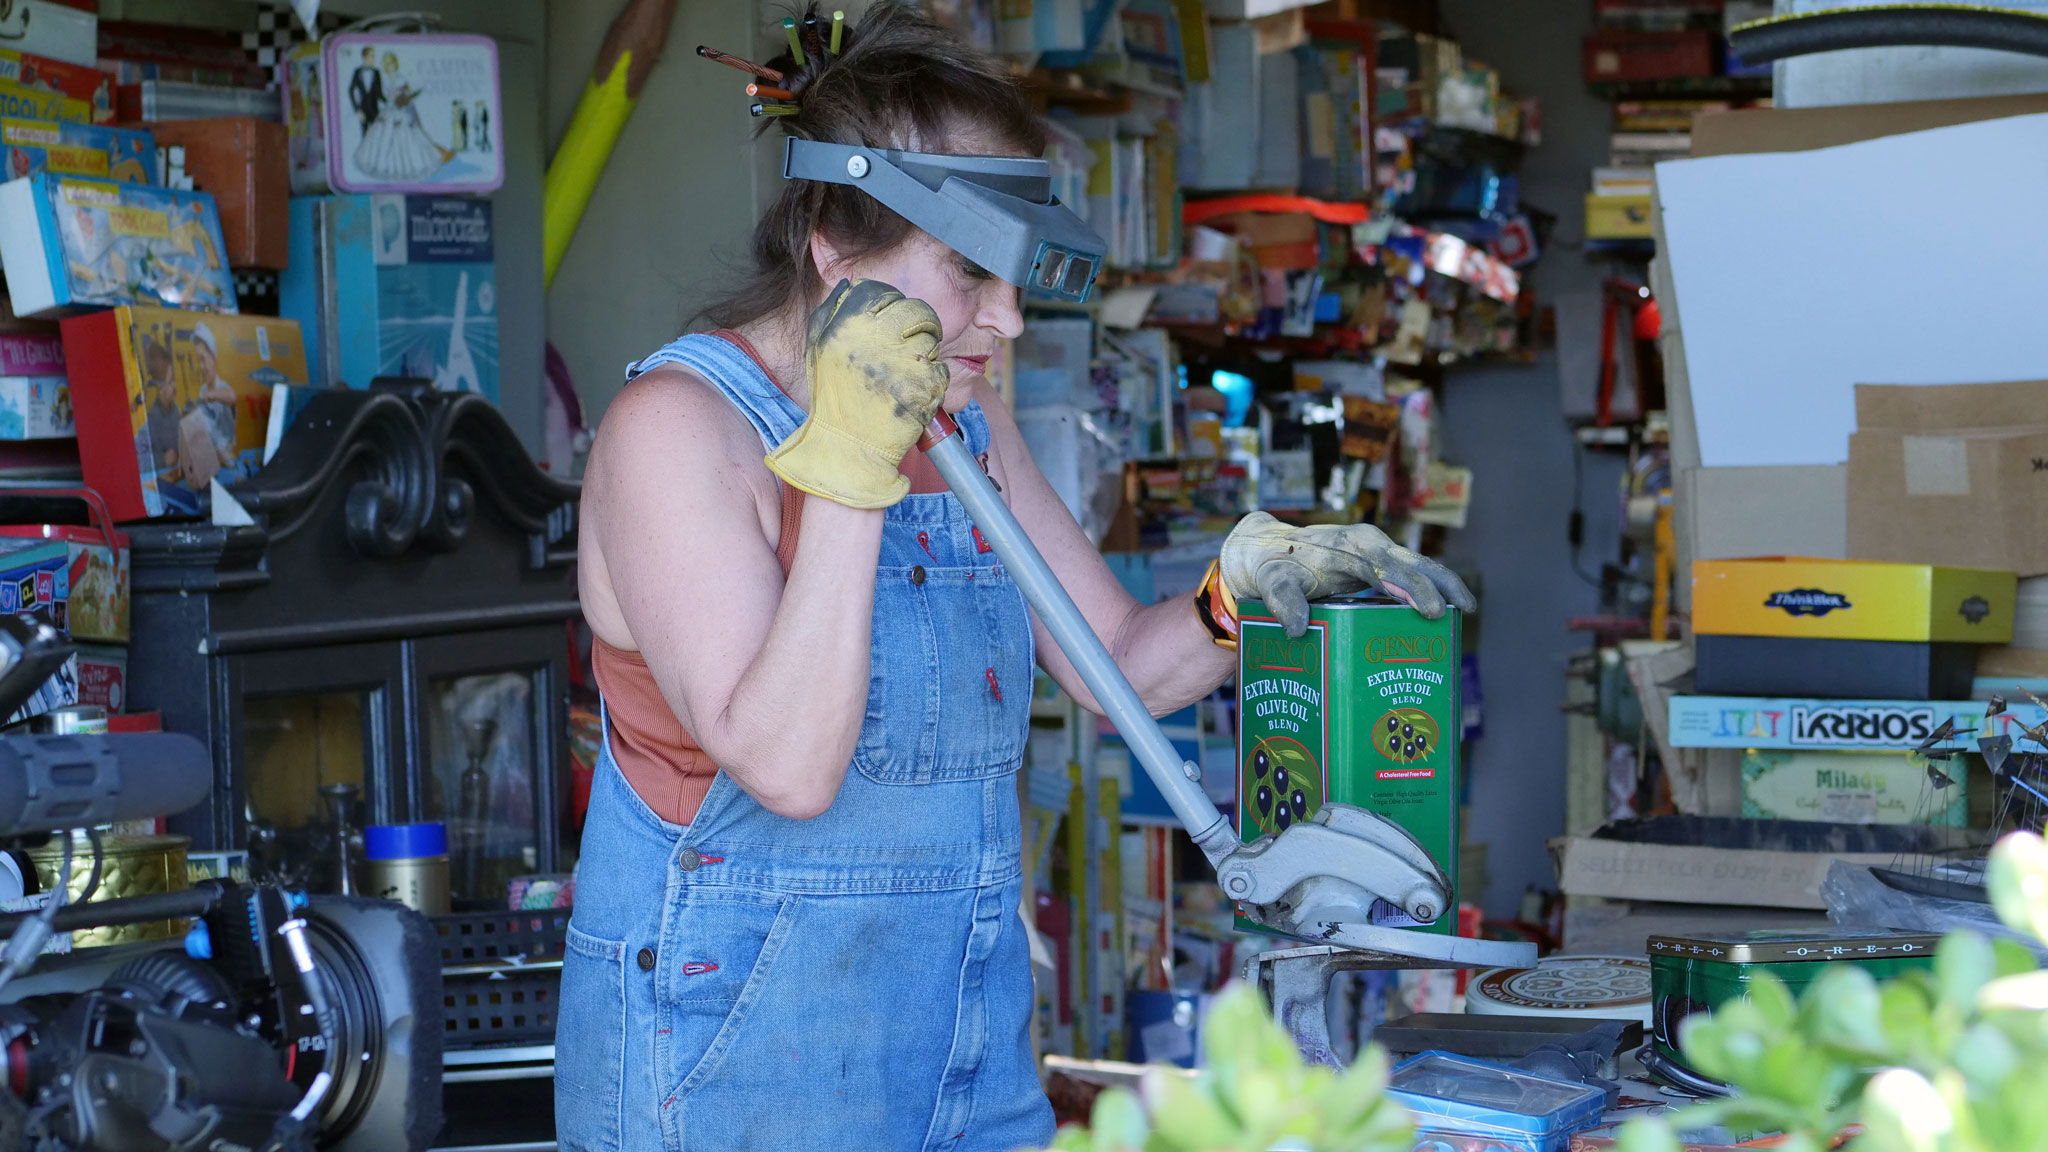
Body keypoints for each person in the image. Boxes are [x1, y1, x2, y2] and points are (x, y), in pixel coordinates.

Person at [562, 6, 1474, 1151]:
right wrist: (850, 465)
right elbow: (786, 767)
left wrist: (1235, 595)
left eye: (1014, 279)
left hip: (966, 1051)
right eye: (965, 273)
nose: (1004, 321)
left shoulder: (967, 419)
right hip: (732, 1064)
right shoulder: (677, 432)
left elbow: (1118, 670)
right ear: (833, 259)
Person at [347, 46, 383, 134]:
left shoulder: (376, 72)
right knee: (365, 136)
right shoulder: (357, 72)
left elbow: (380, 93)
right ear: (365, 57)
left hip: (375, 110)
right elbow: (351, 90)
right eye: (372, 56)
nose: (374, 59)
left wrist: (390, 101)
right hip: (363, 110)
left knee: (377, 135)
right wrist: (357, 110)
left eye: (374, 56)